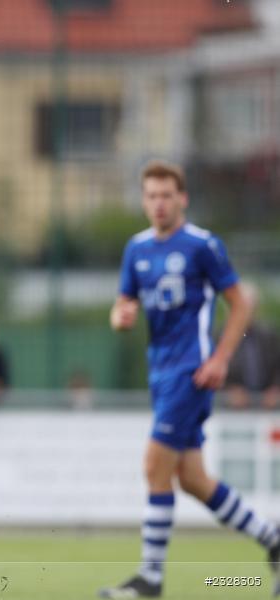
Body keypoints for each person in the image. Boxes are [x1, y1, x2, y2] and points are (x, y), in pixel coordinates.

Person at [100, 161, 280, 598]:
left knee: (153, 467)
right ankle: (274, 541)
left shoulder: (203, 245)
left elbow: (239, 304)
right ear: (144, 200)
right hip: (160, 373)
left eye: (166, 195)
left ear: (181, 199)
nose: (159, 203)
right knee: (194, 480)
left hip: (192, 372)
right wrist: (120, 318)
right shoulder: (136, 249)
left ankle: (151, 578)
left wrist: (221, 358)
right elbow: (123, 307)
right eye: (151, 196)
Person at [225, 282, 280, 410]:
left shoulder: (269, 336)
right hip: (228, 411)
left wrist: (276, 388)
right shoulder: (218, 339)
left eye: (248, 307)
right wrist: (229, 390)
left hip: (267, 409)